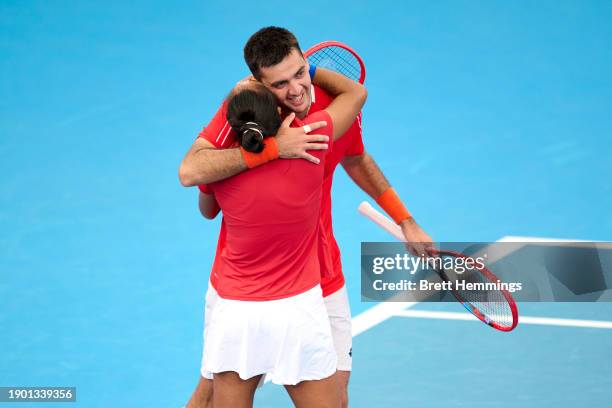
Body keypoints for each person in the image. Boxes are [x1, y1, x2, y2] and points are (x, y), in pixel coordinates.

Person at [179, 27, 434, 408]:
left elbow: (356, 157)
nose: (296, 89)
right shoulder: (276, 118)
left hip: (314, 278)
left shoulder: (305, 111)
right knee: (208, 396)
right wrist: (275, 147)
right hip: (269, 292)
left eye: (300, 73)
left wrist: (405, 218)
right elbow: (190, 170)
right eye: (280, 83)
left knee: (336, 395)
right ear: (260, 86)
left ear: (306, 64)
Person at [196, 64, 366, 408]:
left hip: (235, 313)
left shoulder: (217, 170)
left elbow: (206, 207)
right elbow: (356, 94)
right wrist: (307, 69)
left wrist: (239, 133)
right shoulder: (313, 145)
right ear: (279, 113)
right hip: (297, 312)